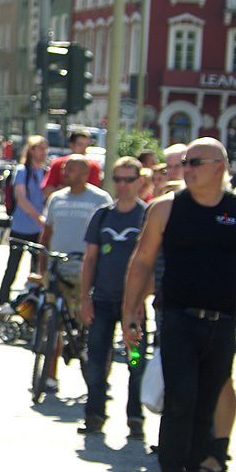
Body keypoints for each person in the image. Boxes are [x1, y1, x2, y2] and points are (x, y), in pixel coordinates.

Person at [123, 138, 236, 472]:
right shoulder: (165, 208)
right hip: (177, 318)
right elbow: (142, 261)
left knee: (205, 404)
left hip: (223, 321)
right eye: (185, 162)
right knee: (180, 399)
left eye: (195, 163)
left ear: (220, 168)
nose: (186, 169)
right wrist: (131, 313)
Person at [77, 157, 147, 437]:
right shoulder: (102, 215)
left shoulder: (147, 215)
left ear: (140, 181)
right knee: (96, 361)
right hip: (103, 301)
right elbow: (90, 258)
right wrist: (85, 297)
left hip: (134, 305)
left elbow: (151, 262)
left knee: (135, 361)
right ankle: (94, 414)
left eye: (129, 179)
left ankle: (135, 418)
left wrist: (141, 302)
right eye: (118, 179)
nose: (123, 185)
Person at [38, 155, 112, 390]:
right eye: (65, 169)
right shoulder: (56, 199)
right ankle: (49, 376)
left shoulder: (100, 199)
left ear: (84, 173)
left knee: (93, 326)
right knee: (53, 325)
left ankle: (99, 379)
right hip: (58, 269)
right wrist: (42, 268)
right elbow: (47, 234)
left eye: (71, 169)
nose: (65, 173)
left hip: (86, 272)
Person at [0, 135, 49, 307]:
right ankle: (2, 302)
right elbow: (21, 198)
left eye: (45, 148)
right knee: (12, 266)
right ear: (32, 150)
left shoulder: (45, 172)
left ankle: (33, 303)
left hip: (39, 230)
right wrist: (38, 217)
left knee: (38, 269)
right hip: (21, 227)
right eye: (40, 148)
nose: (44, 152)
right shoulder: (22, 171)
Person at [41, 128, 103, 196]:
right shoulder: (57, 164)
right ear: (71, 145)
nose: (84, 149)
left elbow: (92, 193)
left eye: (86, 145)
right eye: (80, 145)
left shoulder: (93, 167)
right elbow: (47, 192)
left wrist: (61, 188)